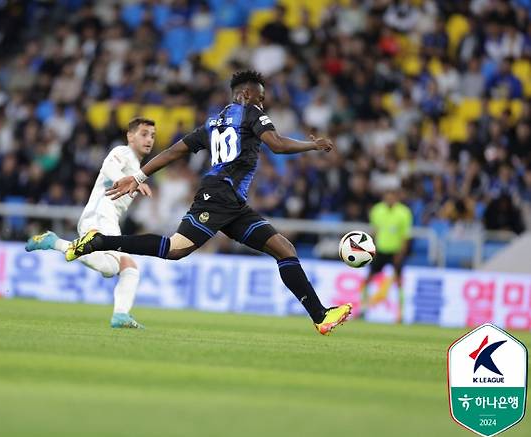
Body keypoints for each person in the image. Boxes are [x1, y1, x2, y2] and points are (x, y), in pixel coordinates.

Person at [66, 70, 353, 336]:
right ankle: (100, 241)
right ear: (246, 95)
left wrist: (139, 175)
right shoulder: (251, 114)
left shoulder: (212, 123)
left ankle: (321, 316)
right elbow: (276, 144)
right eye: (260, 97)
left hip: (231, 202)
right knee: (175, 249)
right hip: (219, 195)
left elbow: (174, 151)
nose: (262, 103)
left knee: (284, 248)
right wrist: (312, 145)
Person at [25, 117, 156, 329]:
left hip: (106, 217)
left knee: (127, 267)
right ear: (130, 136)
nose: (149, 139)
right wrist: (127, 181)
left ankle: (121, 315)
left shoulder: (136, 165)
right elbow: (108, 167)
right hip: (100, 215)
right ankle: (58, 243)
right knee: (115, 266)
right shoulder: (123, 152)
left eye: (152, 135)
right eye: (143, 134)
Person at [361, 189, 412, 323]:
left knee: (399, 282)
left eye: (392, 197)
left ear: (396, 198)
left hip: (396, 252)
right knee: (368, 279)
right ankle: (363, 309)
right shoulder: (377, 211)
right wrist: (371, 249)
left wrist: (401, 253)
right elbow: (374, 231)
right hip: (380, 251)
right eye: (387, 197)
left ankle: (400, 315)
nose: (389, 200)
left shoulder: (404, 213)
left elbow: (405, 236)